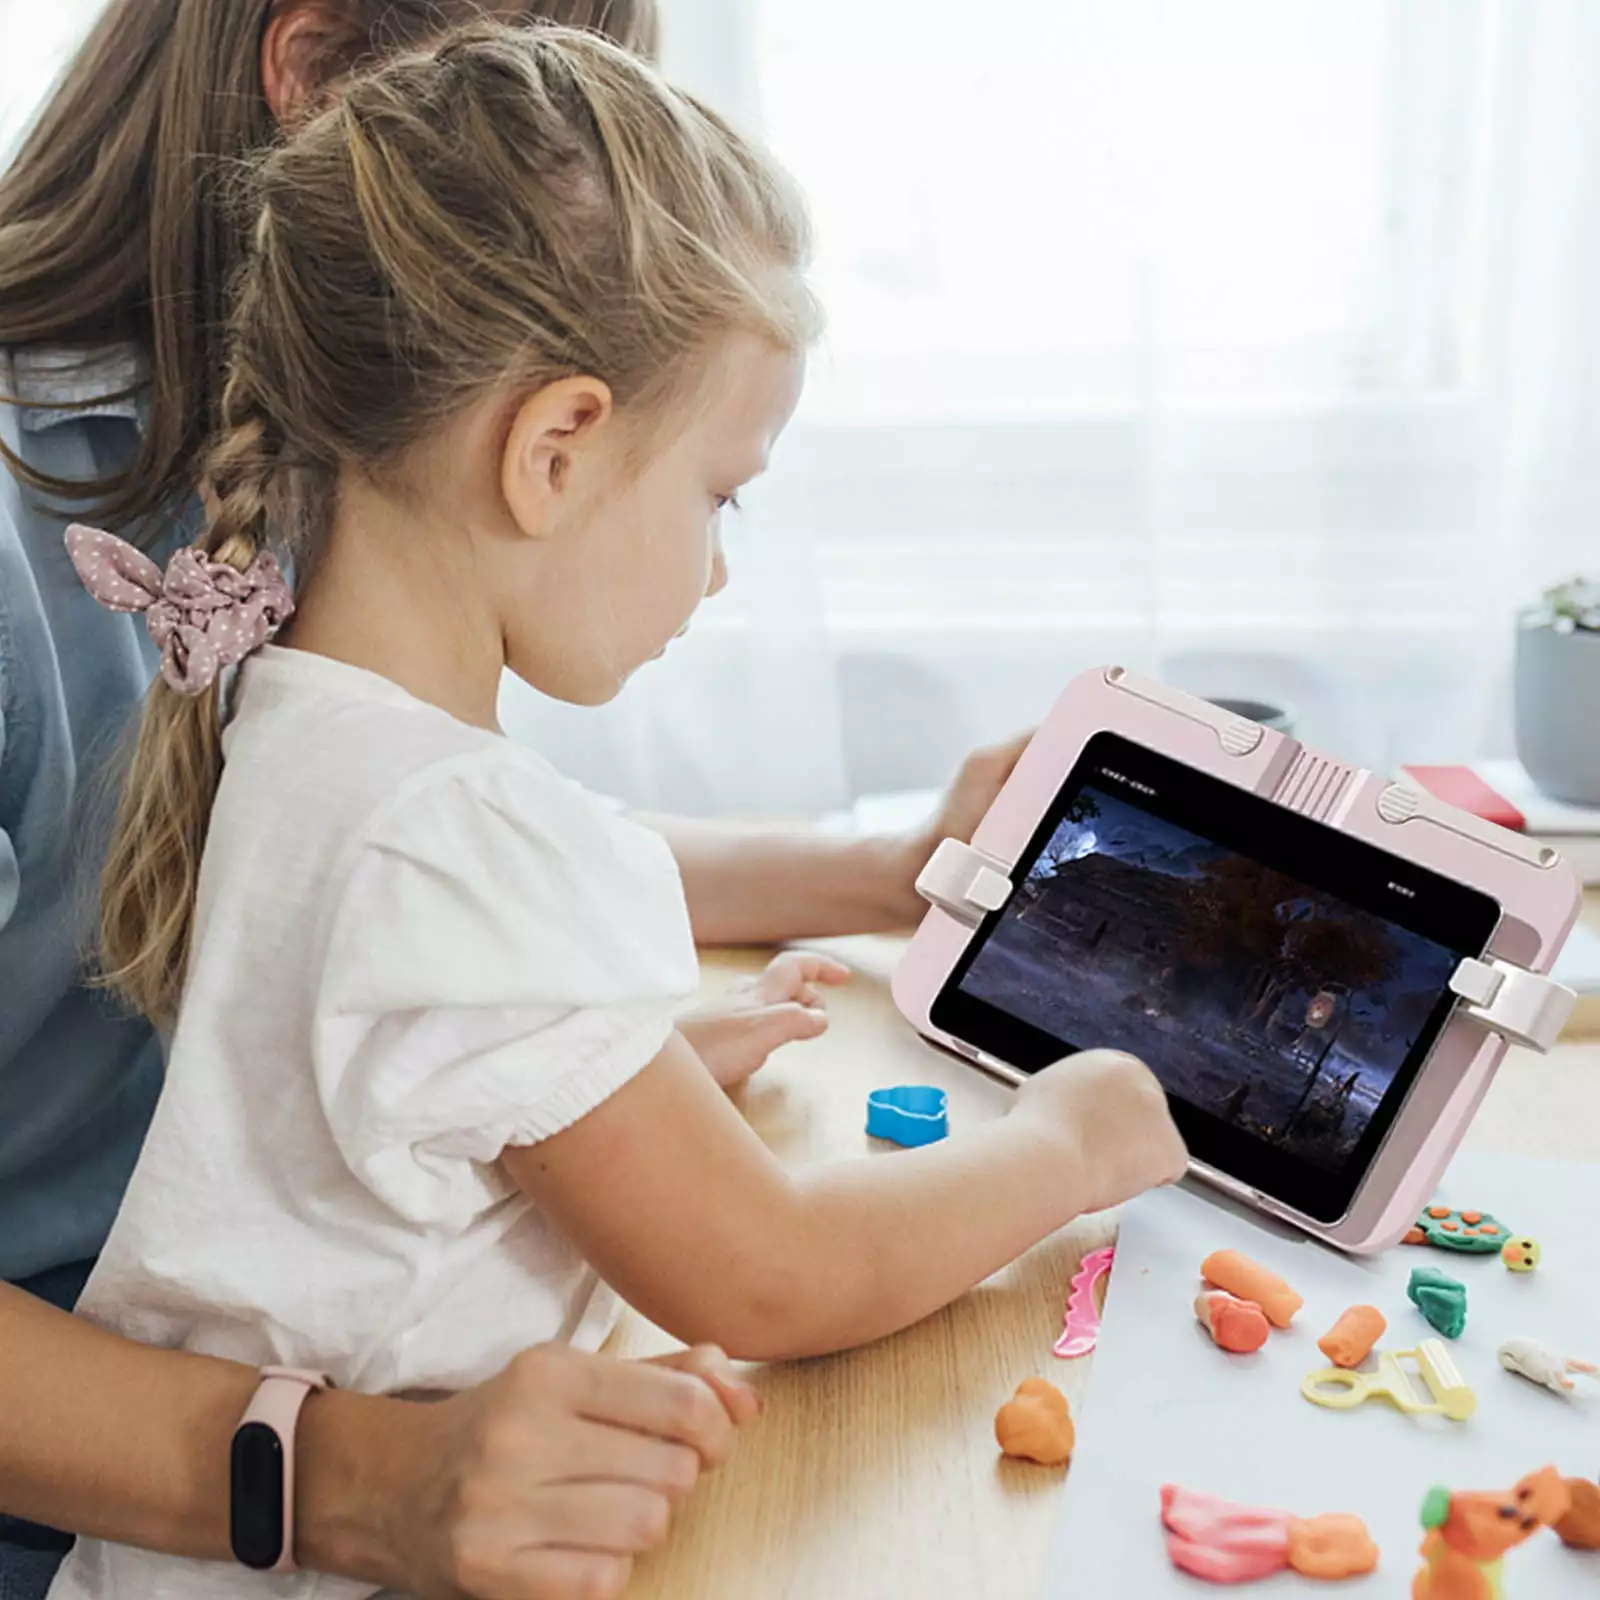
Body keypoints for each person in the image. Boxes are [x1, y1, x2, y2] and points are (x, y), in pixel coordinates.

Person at [44, 24, 1188, 1597]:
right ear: (556, 447)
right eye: (723, 491)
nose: (719, 566)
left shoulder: (283, 715)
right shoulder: (458, 827)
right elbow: (779, 1277)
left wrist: (597, 1083)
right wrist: (1066, 1142)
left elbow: (360, 1092)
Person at [0, 4, 840, 1597]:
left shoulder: (346, 473)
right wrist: (343, 1481)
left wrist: (863, 875)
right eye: (535, 141)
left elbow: (387, 865)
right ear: (321, 80)